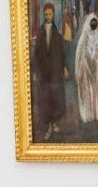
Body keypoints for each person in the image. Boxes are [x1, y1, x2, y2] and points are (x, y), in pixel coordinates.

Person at [31, 2, 68, 141]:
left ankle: (55, 123)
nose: (48, 16)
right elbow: (36, 54)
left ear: (53, 15)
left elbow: (61, 53)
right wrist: (35, 72)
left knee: (56, 98)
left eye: (50, 14)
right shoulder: (40, 32)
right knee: (45, 100)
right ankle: (48, 128)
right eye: (46, 14)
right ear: (44, 15)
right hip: (44, 73)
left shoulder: (57, 33)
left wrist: (64, 67)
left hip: (55, 72)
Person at [75, 13, 98, 127]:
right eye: (92, 23)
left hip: (95, 70)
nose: (93, 25)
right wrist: (79, 70)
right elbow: (79, 55)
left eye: (95, 23)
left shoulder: (97, 36)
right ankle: (87, 116)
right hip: (85, 70)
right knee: (86, 94)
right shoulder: (84, 37)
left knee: (97, 94)